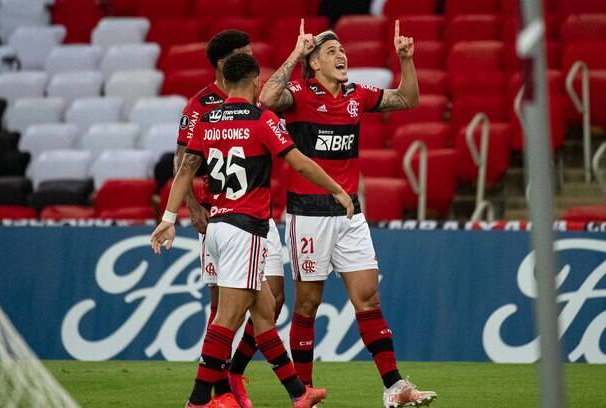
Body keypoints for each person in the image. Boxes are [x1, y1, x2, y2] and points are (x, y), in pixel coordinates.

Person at [152, 53, 354, 408]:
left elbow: (185, 169)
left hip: (217, 227)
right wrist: (336, 189)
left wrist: (169, 219)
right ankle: (199, 401)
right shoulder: (263, 119)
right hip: (245, 228)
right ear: (254, 81)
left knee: (264, 310)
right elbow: (299, 162)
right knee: (227, 318)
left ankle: (298, 393)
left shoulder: (208, 118)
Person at [259, 19, 437, 407]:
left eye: (342, 50)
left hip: (349, 212)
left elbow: (407, 100)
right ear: (314, 64)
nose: (341, 55)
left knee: (369, 297)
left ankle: (395, 386)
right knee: (307, 303)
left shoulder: (357, 94)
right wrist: (296, 52)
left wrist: (406, 60)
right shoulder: (299, 93)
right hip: (308, 214)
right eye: (330, 51)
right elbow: (266, 99)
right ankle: (303, 392)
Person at [175, 29, 287, 407]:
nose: (254, 62)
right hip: (220, 215)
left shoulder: (258, 98)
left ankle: (231, 373)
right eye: (245, 55)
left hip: (259, 214)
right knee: (223, 307)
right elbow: (184, 160)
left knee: (273, 301)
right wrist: (190, 205)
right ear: (225, 62)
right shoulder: (199, 105)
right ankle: (217, 391)